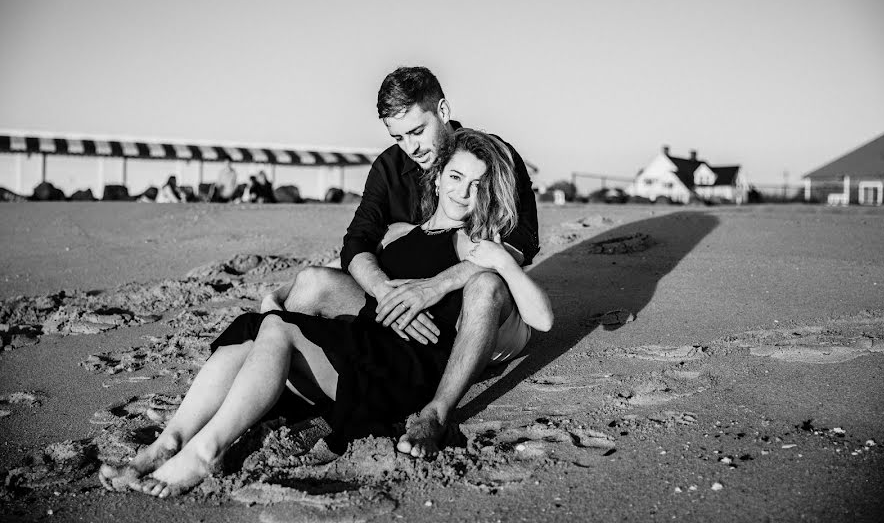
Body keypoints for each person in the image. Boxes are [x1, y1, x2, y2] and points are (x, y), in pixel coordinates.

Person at [98, 129, 553, 497]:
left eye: (476, 185)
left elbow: (542, 318)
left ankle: (205, 452)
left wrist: (501, 260)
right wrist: (279, 291)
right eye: (455, 178)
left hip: (396, 372)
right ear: (437, 178)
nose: (463, 192)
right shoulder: (399, 232)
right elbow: (334, 272)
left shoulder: (474, 246)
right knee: (260, 327)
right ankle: (169, 442)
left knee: (278, 331)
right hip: (361, 345)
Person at [262, 66, 540, 457]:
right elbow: (356, 244)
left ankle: (436, 414)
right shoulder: (390, 168)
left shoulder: (489, 155)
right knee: (312, 283)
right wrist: (385, 294)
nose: (411, 146)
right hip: (407, 315)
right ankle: (293, 402)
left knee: (487, 284)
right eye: (398, 136)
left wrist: (435, 287)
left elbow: (520, 243)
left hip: (483, 320)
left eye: (417, 131)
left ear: (442, 110)